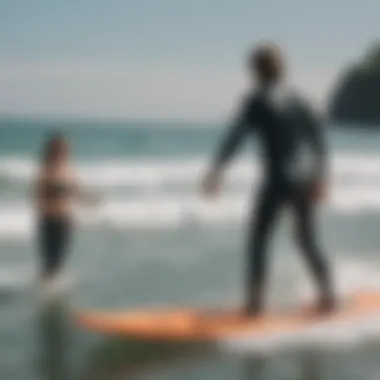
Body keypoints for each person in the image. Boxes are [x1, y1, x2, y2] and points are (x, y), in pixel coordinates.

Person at [201, 43, 335, 317]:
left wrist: (217, 170)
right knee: (306, 240)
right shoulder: (300, 99)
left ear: (255, 70)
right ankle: (329, 297)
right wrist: (322, 178)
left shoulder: (256, 100)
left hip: (278, 180)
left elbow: (236, 137)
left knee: (259, 239)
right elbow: (320, 142)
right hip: (305, 179)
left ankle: (256, 305)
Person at [34, 133, 94, 286]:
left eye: (67, 148)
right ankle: (46, 288)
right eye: (63, 148)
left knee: (60, 259)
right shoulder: (46, 169)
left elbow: (76, 190)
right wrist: (58, 193)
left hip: (65, 220)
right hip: (49, 220)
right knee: (49, 259)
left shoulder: (68, 169)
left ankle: (52, 289)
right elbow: (39, 194)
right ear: (54, 149)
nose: (66, 151)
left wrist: (89, 199)